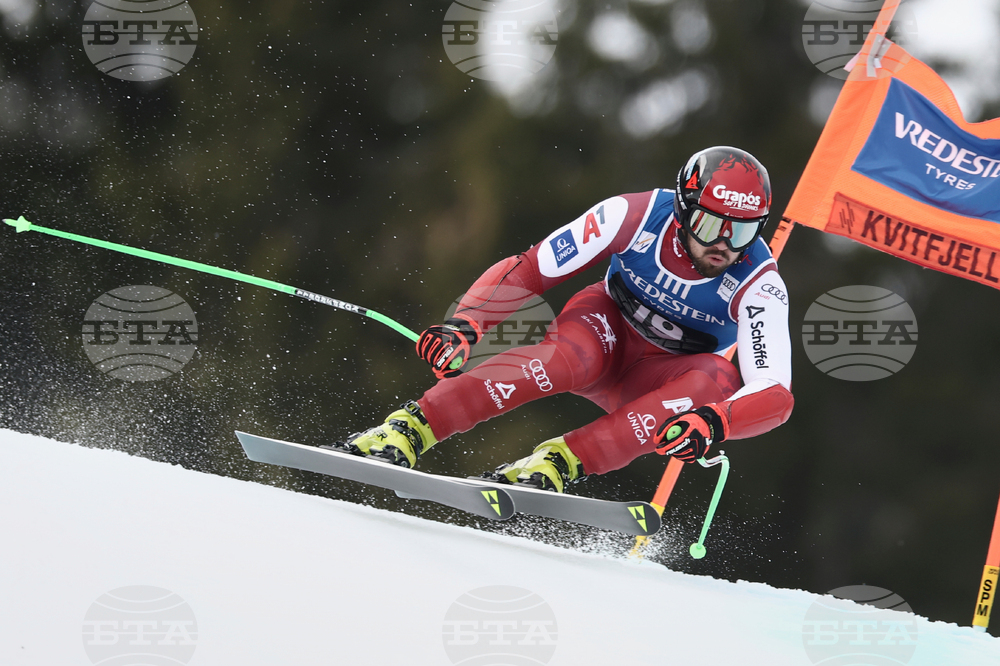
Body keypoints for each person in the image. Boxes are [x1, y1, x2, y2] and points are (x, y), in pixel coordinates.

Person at [335, 146, 794, 493]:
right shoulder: (631, 216)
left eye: (745, 230)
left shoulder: (759, 283)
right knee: (566, 360)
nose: (726, 246)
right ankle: (410, 427)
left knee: (716, 379)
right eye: (713, 226)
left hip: (658, 379)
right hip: (604, 330)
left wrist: (717, 423)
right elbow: (532, 267)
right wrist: (467, 325)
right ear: (681, 211)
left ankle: (557, 463)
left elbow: (775, 394)